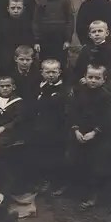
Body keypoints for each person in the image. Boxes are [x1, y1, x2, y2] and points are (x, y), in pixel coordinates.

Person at [58, 64, 111, 209]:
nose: (93, 80)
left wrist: (95, 132)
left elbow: (107, 118)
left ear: (104, 80)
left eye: (97, 78)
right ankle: (70, 186)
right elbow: (71, 111)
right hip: (78, 131)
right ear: (85, 77)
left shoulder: (106, 96)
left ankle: (92, 194)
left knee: (95, 165)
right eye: (90, 77)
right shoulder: (78, 92)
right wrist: (76, 129)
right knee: (71, 159)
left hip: (97, 136)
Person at [30, 59, 68, 194]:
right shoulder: (39, 86)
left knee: (55, 156)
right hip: (39, 126)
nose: (51, 75)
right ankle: (42, 179)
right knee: (40, 154)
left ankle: (56, 182)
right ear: (42, 72)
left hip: (56, 128)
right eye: (47, 72)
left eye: (54, 72)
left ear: (59, 72)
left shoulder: (63, 90)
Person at [0, 76, 26, 194]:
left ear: (13, 87)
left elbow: (19, 119)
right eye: (2, 86)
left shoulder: (18, 101)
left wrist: (4, 128)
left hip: (10, 133)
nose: (5, 88)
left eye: (8, 86)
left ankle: (7, 187)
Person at [33, 0, 74, 70]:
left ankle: (61, 82)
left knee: (61, 62)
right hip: (45, 39)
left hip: (60, 39)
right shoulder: (41, 2)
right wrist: (37, 41)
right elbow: (36, 22)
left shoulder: (65, 1)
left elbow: (69, 20)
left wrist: (68, 39)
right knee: (45, 62)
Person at [0, 0, 35, 73]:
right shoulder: (1, 23)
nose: (15, 11)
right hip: (6, 57)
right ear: (8, 9)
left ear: (23, 8)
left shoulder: (28, 23)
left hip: (23, 58)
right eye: (13, 8)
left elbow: (30, 41)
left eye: (18, 8)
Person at [72, 20, 111, 86]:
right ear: (90, 35)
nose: (97, 34)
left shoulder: (110, 50)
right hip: (84, 82)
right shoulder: (86, 49)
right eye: (94, 32)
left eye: (100, 31)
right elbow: (78, 67)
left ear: (107, 33)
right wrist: (81, 79)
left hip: (101, 83)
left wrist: (100, 79)